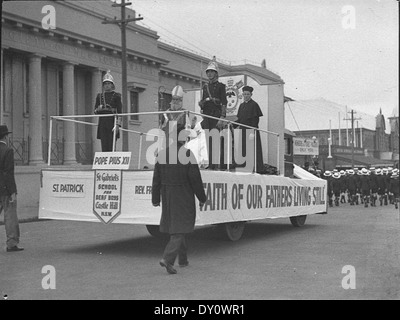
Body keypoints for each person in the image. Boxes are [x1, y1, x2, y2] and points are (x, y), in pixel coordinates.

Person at [152, 125, 207, 274]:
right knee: (180, 228)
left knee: (177, 226)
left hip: (168, 195)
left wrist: (156, 198)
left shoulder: (162, 154)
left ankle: (183, 259)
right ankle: (168, 259)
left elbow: (156, 178)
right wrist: (202, 198)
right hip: (183, 195)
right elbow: (195, 179)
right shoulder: (187, 154)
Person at [198, 58, 228, 169]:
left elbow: (224, 102)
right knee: (208, 140)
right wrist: (201, 103)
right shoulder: (205, 86)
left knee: (215, 140)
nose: (209, 74)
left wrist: (222, 117)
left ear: (216, 73)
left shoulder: (221, 86)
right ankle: (211, 164)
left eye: (212, 72)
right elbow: (202, 101)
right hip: (207, 115)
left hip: (216, 115)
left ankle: (216, 165)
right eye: (208, 72)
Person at [0, 125, 23, 252]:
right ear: (6, 136)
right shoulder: (7, 150)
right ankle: (12, 243)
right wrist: (13, 191)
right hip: (5, 189)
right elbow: (8, 172)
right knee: (10, 216)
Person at [235, 86, 264, 173]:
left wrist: (253, 131)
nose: (246, 96)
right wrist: (231, 125)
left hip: (251, 131)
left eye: (248, 94)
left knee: (253, 150)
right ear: (242, 95)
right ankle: (244, 167)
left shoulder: (254, 105)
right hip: (243, 131)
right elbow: (239, 119)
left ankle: (256, 168)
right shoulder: (241, 105)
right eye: (245, 94)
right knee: (243, 149)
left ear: (251, 95)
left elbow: (256, 119)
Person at [94, 70, 122, 152]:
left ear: (112, 85)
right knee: (104, 144)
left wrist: (118, 125)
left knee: (111, 144)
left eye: (109, 83)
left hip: (112, 121)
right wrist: (98, 109)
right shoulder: (99, 96)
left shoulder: (117, 96)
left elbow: (120, 111)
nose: (107, 85)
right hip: (102, 121)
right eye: (105, 84)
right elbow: (95, 111)